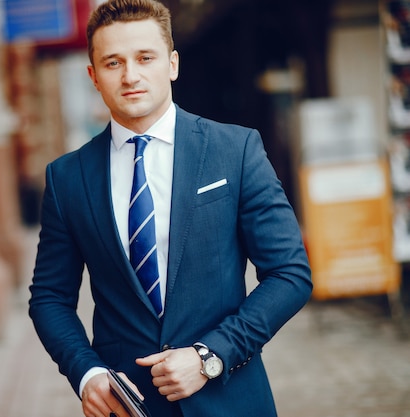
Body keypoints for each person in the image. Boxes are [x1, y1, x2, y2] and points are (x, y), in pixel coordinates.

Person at [28, 0, 312, 416]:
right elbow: (50, 296)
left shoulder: (235, 150)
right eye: (113, 63)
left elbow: (289, 273)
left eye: (145, 58)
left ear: (172, 64)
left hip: (230, 398)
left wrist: (209, 356)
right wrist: (86, 373)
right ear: (93, 76)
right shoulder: (67, 178)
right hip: (128, 406)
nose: (131, 76)